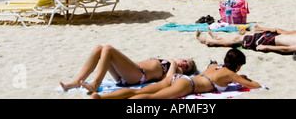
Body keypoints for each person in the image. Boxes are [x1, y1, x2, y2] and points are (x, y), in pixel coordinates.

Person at [91, 49, 262, 99]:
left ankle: (101, 98)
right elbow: (256, 86)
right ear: (238, 66)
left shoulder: (216, 66)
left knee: (140, 91)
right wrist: (245, 79)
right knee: (152, 98)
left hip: (176, 79)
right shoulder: (230, 74)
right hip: (188, 85)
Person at [59, 45, 197, 93]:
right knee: (99, 48)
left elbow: (168, 80)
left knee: (108, 49)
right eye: (185, 61)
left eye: (187, 66)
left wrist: (174, 64)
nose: (184, 64)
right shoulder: (170, 61)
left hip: (139, 76)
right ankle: (78, 81)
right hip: (128, 74)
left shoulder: (176, 69)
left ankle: (96, 84)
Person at [196, 27, 296, 54]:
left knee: (240, 40)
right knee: (240, 38)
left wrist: (267, 48)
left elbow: (289, 49)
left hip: (271, 42)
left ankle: (209, 42)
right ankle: (218, 38)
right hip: (272, 37)